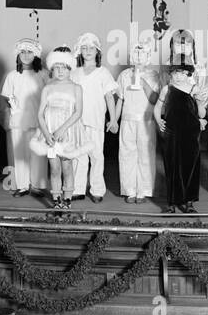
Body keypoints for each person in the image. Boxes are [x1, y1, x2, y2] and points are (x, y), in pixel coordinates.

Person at [36, 47, 91, 210]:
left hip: (67, 132)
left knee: (67, 167)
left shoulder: (76, 88)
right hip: (50, 133)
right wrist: (47, 134)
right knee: (54, 168)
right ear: (52, 69)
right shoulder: (47, 88)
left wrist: (61, 130)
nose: (60, 71)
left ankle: (67, 199)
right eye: (56, 68)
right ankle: (56, 199)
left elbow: (78, 112)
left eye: (64, 67)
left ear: (69, 68)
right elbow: (40, 114)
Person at [71, 32, 120, 203]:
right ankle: (78, 188)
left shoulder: (103, 72)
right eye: (84, 48)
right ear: (79, 51)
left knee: (96, 155)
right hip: (77, 121)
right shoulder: (74, 73)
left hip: (96, 120)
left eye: (91, 48)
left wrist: (112, 119)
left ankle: (97, 189)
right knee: (78, 155)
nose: (88, 51)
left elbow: (109, 97)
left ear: (98, 51)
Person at [154, 58, 206, 214]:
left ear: (188, 74)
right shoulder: (166, 89)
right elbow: (157, 108)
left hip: (190, 132)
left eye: (183, 73)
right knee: (172, 166)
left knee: (190, 166)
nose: (179, 76)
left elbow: (202, 113)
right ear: (171, 73)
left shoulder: (194, 88)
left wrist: (199, 101)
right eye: (176, 72)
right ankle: (171, 203)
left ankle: (189, 202)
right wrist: (159, 121)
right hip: (172, 133)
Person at [0, 37, 47, 197]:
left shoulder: (43, 74)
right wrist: (8, 118)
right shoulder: (12, 76)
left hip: (38, 119)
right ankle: (22, 185)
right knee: (20, 153)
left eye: (30, 52)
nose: (26, 55)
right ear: (18, 55)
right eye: (23, 52)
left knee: (37, 152)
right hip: (18, 120)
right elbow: (6, 98)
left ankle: (37, 185)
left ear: (36, 55)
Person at [116, 39, 161, 204]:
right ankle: (129, 190)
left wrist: (142, 82)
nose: (139, 56)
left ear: (149, 56)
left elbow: (155, 99)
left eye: (143, 53)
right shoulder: (124, 75)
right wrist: (114, 119)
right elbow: (120, 99)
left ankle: (143, 190)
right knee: (127, 155)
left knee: (146, 155)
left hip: (146, 121)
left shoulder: (153, 75)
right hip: (127, 120)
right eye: (136, 52)